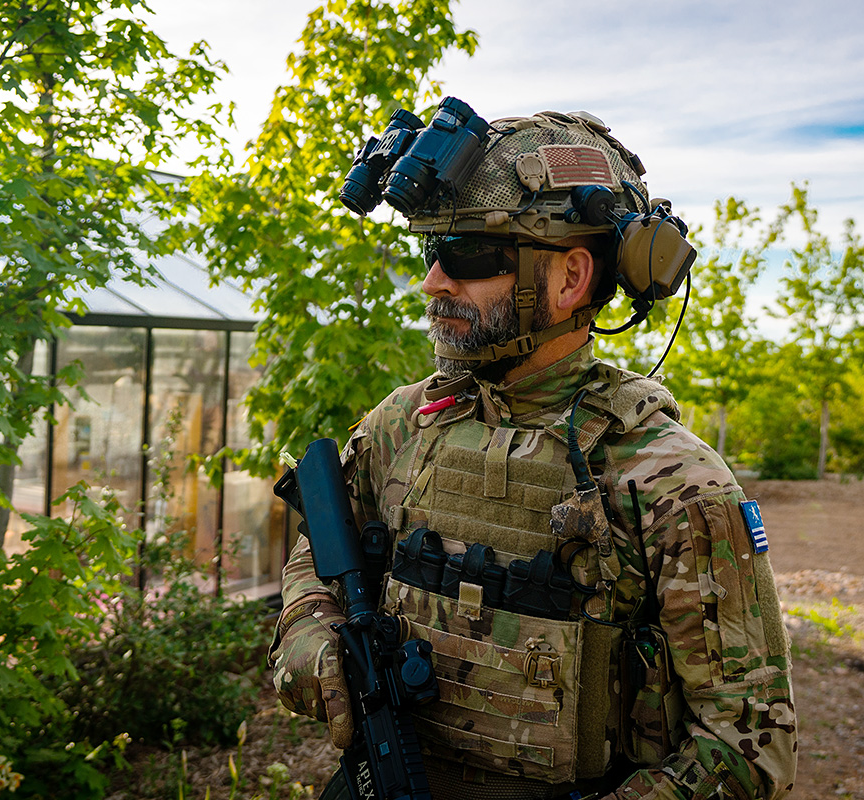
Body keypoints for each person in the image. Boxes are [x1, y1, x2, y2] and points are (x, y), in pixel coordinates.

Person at [268, 101, 797, 800]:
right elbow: (317, 563)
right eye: (431, 251)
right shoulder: (403, 424)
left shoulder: (671, 481)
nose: (433, 282)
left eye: (466, 254)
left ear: (571, 278)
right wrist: (314, 642)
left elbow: (749, 747)